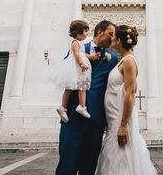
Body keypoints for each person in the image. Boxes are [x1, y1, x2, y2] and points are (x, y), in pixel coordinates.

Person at [56, 20, 118, 175]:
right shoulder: (78, 48)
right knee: (67, 160)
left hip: (96, 118)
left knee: (89, 164)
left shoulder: (113, 59)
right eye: (110, 34)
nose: (112, 38)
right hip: (73, 115)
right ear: (99, 32)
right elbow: (67, 72)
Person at [95, 25, 156, 174]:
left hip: (119, 118)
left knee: (121, 157)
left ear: (120, 41)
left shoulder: (128, 61)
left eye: (114, 37)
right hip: (113, 118)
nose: (112, 40)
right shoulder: (123, 60)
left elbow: (130, 93)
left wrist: (123, 125)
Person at [55, 20, 96, 123]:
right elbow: (77, 54)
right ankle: (80, 106)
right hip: (77, 67)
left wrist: (92, 57)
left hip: (79, 67)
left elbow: (83, 53)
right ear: (78, 31)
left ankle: (64, 107)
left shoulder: (80, 43)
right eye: (85, 31)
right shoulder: (75, 43)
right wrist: (81, 63)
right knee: (81, 86)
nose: (87, 34)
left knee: (76, 87)